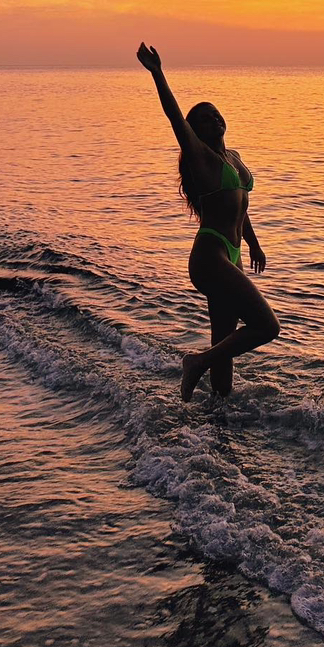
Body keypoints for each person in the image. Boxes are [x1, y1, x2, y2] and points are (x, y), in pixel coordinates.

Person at [137, 43, 280, 400]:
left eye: (217, 114)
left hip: (231, 252)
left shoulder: (234, 156)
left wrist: (252, 242)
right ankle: (195, 363)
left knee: (225, 342)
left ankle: (219, 413)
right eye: (205, 118)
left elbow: (240, 206)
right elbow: (173, 116)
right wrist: (157, 72)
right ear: (195, 130)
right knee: (265, 326)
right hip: (210, 255)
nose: (215, 119)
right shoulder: (199, 156)